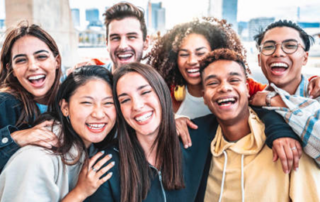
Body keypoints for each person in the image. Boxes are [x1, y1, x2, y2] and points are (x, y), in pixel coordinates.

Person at [87, 63, 299, 202]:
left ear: (162, 94)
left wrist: (279, 131)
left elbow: (241, 113)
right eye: (125, 99)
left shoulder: (195, 136)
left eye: (145, 92)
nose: (137, 105)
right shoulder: (106, 164)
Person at [146, 18, 306, 173]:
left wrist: (279, 129)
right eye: (183, 54)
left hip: (227, 167)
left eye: (200, 52)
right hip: (188, 172)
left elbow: (278, 103)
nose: (192, 61)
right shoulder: (166, 90)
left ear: (215, 53)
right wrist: (169, 121)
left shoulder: (242, 87)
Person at [198, 48, 320, 202]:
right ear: (203, 96)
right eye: (213, 83)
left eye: (234, 80)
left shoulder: (290, 148)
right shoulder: (198, 148)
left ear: (248, 89)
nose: (224, 88)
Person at [0, 66, 116, 202]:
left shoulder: (89, 148)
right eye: (87, 103)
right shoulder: (38, 159)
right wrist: (79, 193)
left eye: (108, 103)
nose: (98, 114)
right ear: (65, 108)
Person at [250, 20, 320, 165]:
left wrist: (275, 101)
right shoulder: (250, 105)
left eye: (290, 46)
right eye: (269, 47)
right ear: (259, 59)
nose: (278, 53)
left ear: (305, 58)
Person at [0, 22, 61, 172]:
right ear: (11, 69)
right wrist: (15, 138)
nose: (33, 66)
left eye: (41, 56)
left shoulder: (72, 100)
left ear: (57, 61)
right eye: (21, 60)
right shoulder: (5, 103)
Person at [68, 2, 149, 74]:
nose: (123, 46)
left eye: (131, 37)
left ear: (146, 43)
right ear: (107, 43)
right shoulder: (89, 79)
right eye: (115, 38)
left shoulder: (155, 83)